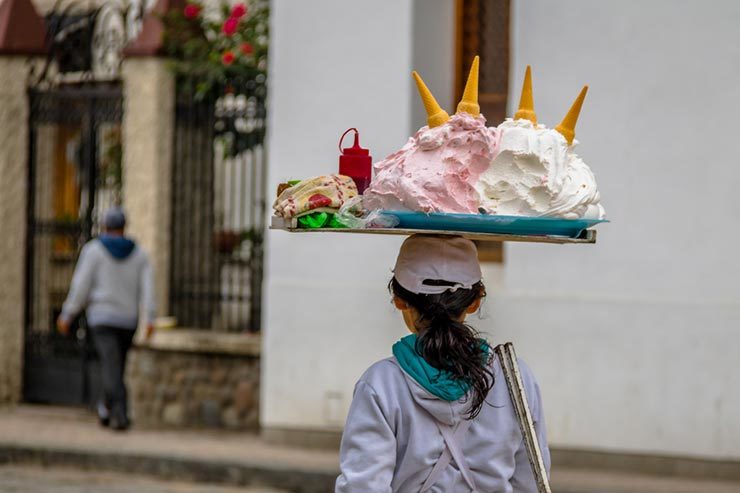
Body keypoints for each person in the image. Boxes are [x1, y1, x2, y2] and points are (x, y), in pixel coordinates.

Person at [336, 235, 550, 492]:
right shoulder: (516, 377)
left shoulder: (380, 384)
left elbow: (362, 486)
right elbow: (531, 482)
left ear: (399, 299)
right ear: (475, 301)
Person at [57, 207, 156, 431]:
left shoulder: (93, 251)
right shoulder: (140, 254)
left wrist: (67, 314)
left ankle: (119, 413)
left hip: (102, 318)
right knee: (115, 366)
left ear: (105, 227)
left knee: (112, 367)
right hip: (128, 320)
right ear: (124, 227)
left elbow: (80, 286)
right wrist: (149, 318)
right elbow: (149, 289)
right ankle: (106, 408)